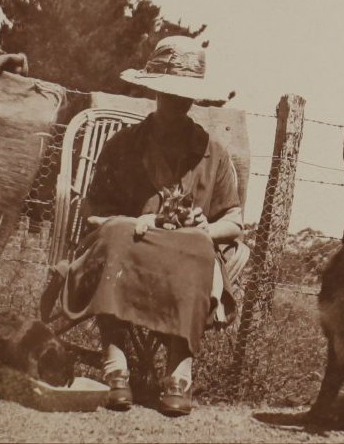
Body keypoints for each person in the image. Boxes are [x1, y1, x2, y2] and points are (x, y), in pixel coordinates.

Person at [41, 36, 244, 417]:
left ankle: (179, 371)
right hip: (128, 248)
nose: (176, 105)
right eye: (168, 95)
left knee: (199, 246)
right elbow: (94, 213)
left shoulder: (211, 152)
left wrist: (206, 228)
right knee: (117, 233)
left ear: (194, 100)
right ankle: (115, 360)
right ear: (154, 93)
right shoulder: (123, 146)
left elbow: (234, 220)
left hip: (183, 255)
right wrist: (136, 222)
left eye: (184, 98)